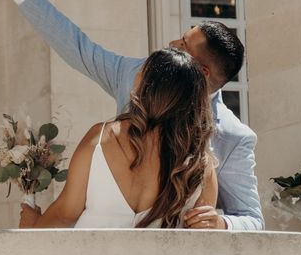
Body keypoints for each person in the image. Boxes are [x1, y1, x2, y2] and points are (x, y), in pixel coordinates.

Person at [0, 0, 264, 231]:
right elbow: (77, 48)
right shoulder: (132, 74)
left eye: (182, 47)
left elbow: (252, 218)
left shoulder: (230, 139)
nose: (170, 44)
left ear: (200, 71)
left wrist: (222, 223)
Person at [19, 48, 218, 228]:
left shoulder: (101, 138)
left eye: (141, 71)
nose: (136, 75)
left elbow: (63, 215)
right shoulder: (200, 167)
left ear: (146, 85)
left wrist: (31, 227)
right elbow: (202, 237)